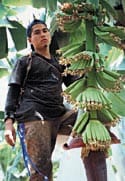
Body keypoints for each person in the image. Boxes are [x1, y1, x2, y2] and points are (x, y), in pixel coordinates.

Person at [4, 19, 107, 181]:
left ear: (50, 35)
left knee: (94, 116)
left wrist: (91, 63)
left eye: (45, 31)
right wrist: (9, 123)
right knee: (42, 171)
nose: (42, 34)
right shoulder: (25, 62)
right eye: (37, 32)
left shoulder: (60, 63)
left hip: (59, 115)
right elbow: (13, 91)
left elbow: (77, 84)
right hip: (35, 118)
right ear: (30, 40)